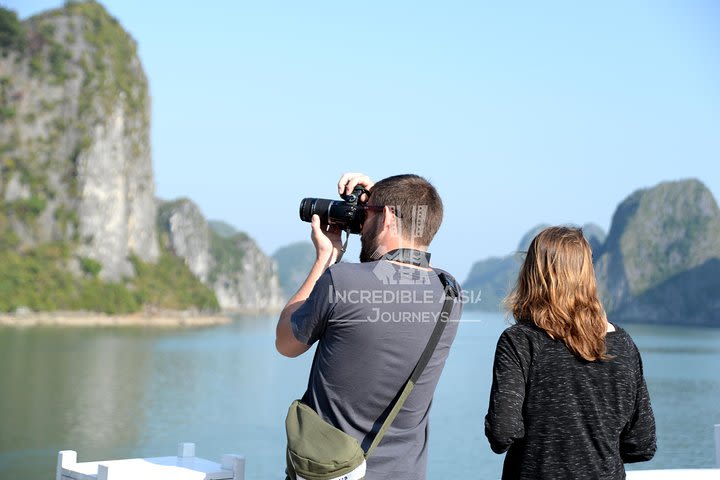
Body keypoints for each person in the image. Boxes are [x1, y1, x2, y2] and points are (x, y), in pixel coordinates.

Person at [276, 172, 462, 480]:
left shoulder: (342, 280)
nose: (361, 223)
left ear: (388, 217)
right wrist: (382, 202)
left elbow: (285, 342)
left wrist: (325, 258)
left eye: (366, 214)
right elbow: (397, 270)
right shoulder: (451, 293)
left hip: (331, 470)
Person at [485, 226, 656, 479]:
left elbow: (502, 433)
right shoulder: (623, 344)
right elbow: (641, 444)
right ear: (588, 275)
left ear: (533, 275)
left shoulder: (519, 341)